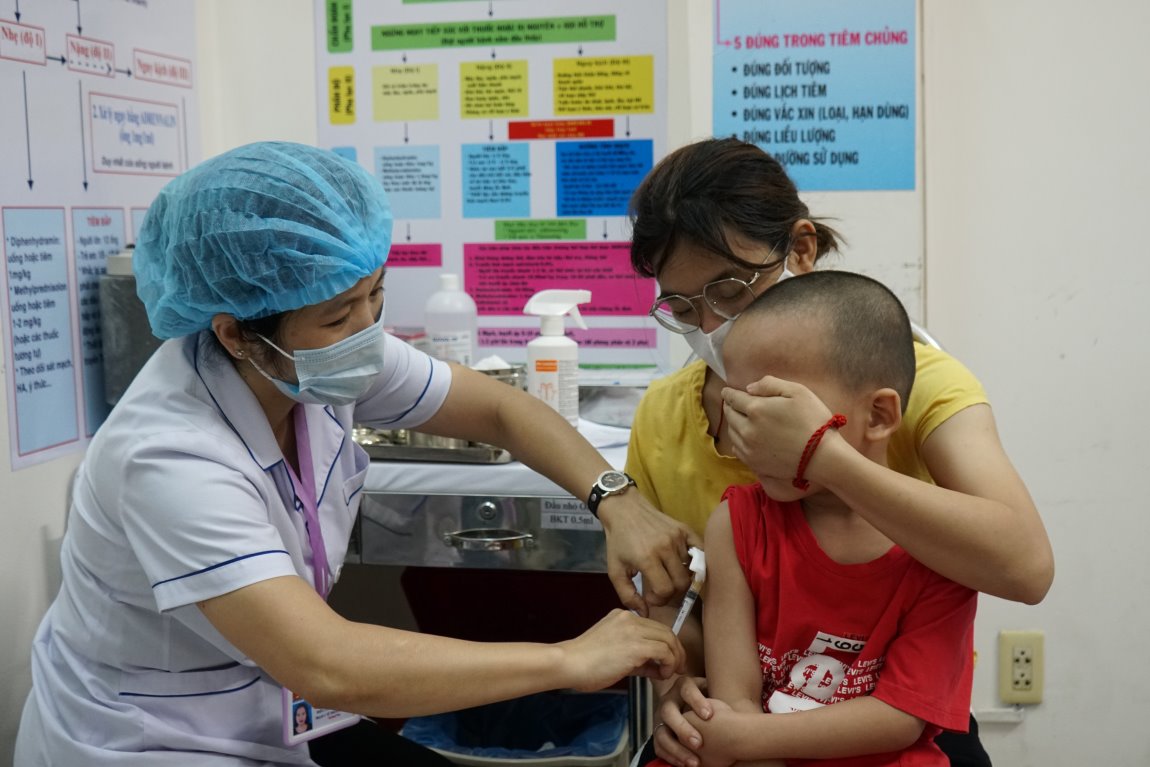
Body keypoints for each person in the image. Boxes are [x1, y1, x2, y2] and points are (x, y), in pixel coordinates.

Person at [14, 141, 692, 766]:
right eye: (341, 315)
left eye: (375, 295)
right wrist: (568, 660)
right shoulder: (168, 456)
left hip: (277, 707)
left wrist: (615, 498)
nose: (368, 333)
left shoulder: (320, 357)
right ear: (235, 334)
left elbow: (498, 407)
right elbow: (326, 663)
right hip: (149, 738)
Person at [624, 137, 1054, 767]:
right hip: (747, 716)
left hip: (891, 717)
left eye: (730, 291)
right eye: (685, 307)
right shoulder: (668, 419)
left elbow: (1026, 567)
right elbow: (675, 606)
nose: (711, 329)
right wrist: (678, 689)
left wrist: (822, 456)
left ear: (800, 249)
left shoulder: (916, 384)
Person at [648, 271, 978, 767]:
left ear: (881, 415)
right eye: (738, 407)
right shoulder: (736, 524)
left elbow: (899, 716)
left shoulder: (939, 545)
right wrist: (735, 737)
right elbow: (736, 697)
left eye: (777, 409)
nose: (748, 434)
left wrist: (742, 739)